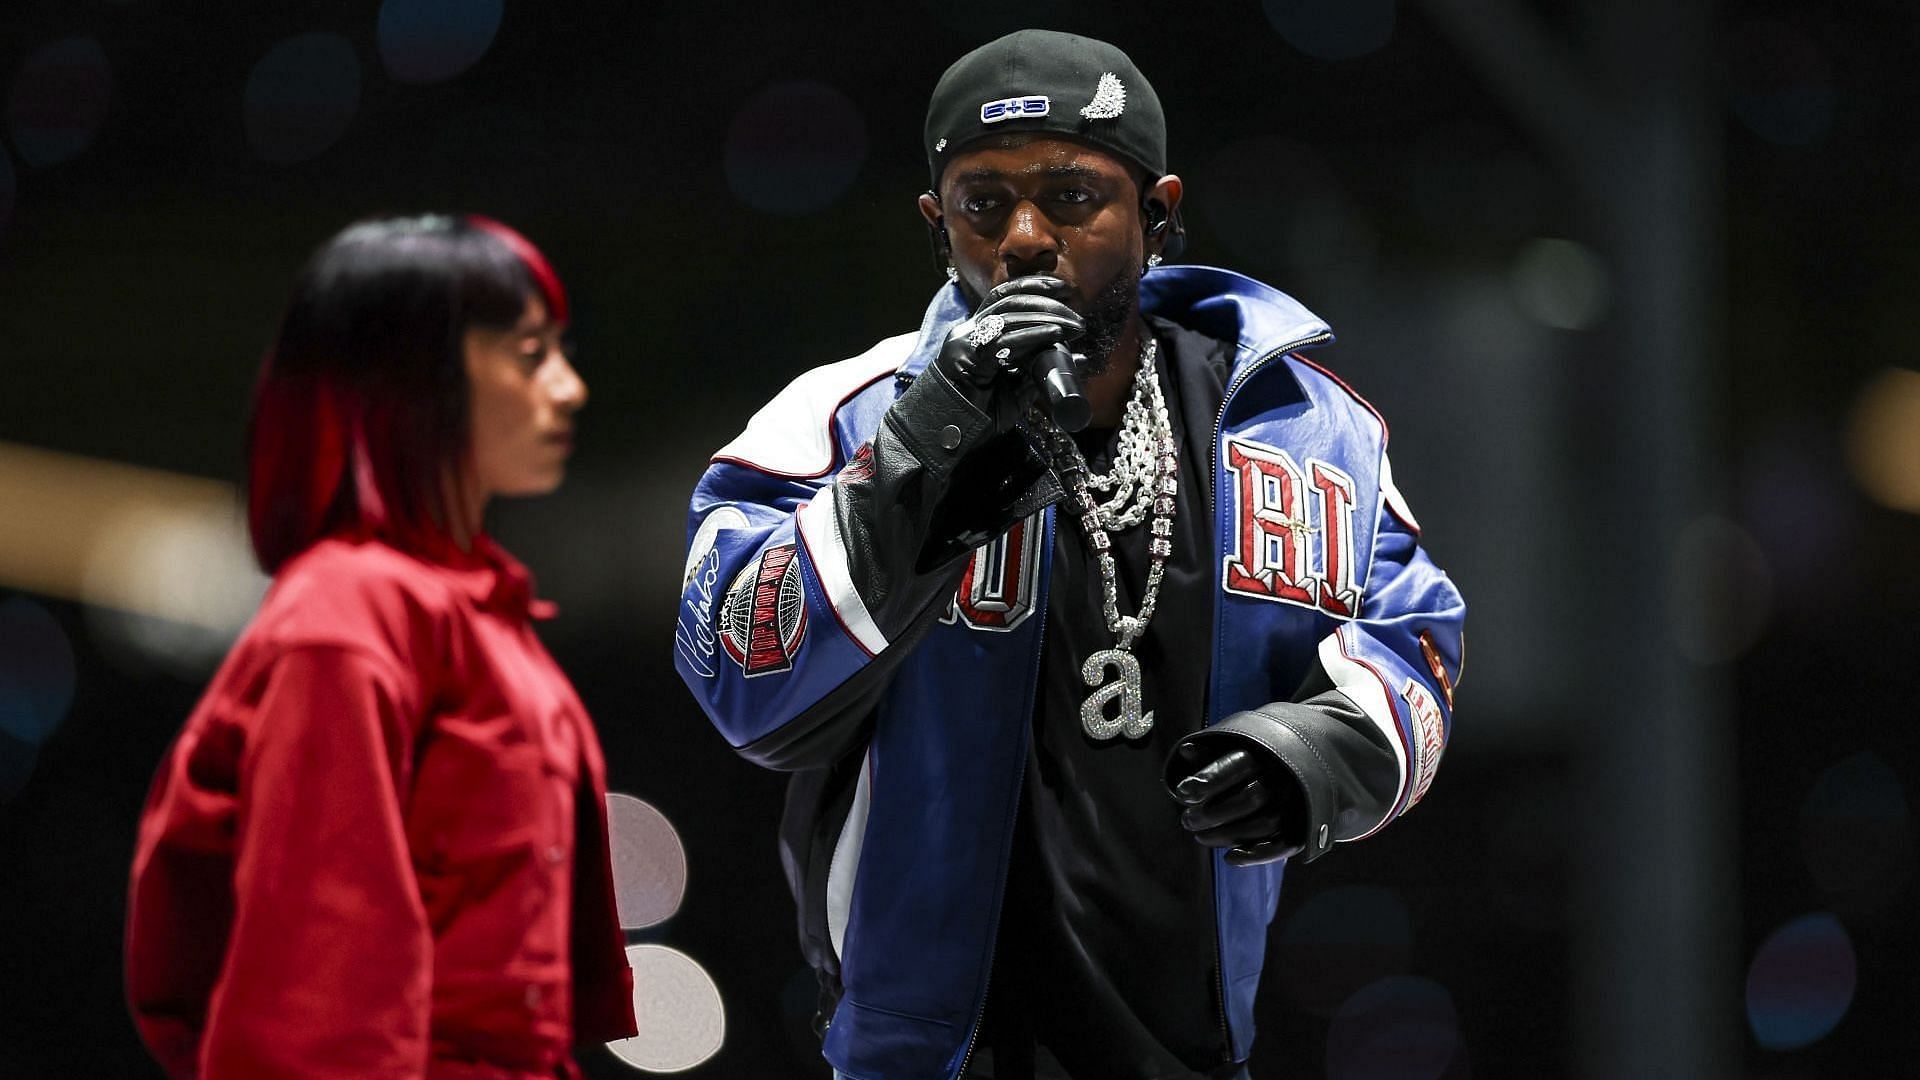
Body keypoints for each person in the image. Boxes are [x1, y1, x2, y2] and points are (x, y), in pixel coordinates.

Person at [674, 30, 1464, 1080]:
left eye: (1074, 196)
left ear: (1160, 213)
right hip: (923, 1054)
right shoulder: (840, 417)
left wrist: (1321, 754)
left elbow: (1419, 641)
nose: (1027, 238)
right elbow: (738, 678)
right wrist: (919, 454)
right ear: (936, 223)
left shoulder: (1305, 431)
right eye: (983, 204)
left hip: (1190, 1046)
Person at [125, 214, 636, 1079]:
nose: (569, 388)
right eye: (528, 354)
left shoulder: (473, 610)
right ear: (416, 377)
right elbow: (316, 973)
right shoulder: (349, 612)